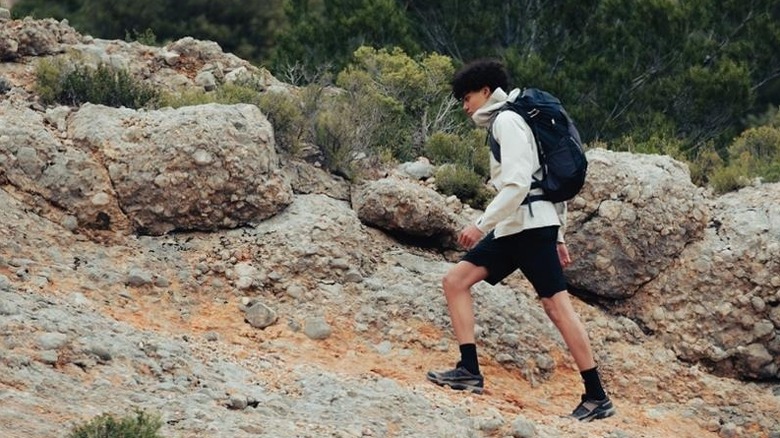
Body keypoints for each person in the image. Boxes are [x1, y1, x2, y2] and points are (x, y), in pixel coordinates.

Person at [425, 58, 615, 422]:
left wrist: (481, 224)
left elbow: (518, 184)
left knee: (557, 308)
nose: (464, 106)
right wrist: (558, 234)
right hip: (518, 228)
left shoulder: (507, 122)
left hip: (526, 228)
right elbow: (545, 180)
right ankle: (468, 371)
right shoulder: (510, 120)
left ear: (486, 91)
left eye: (467, 97)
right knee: (455, 281)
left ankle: (597, 396)